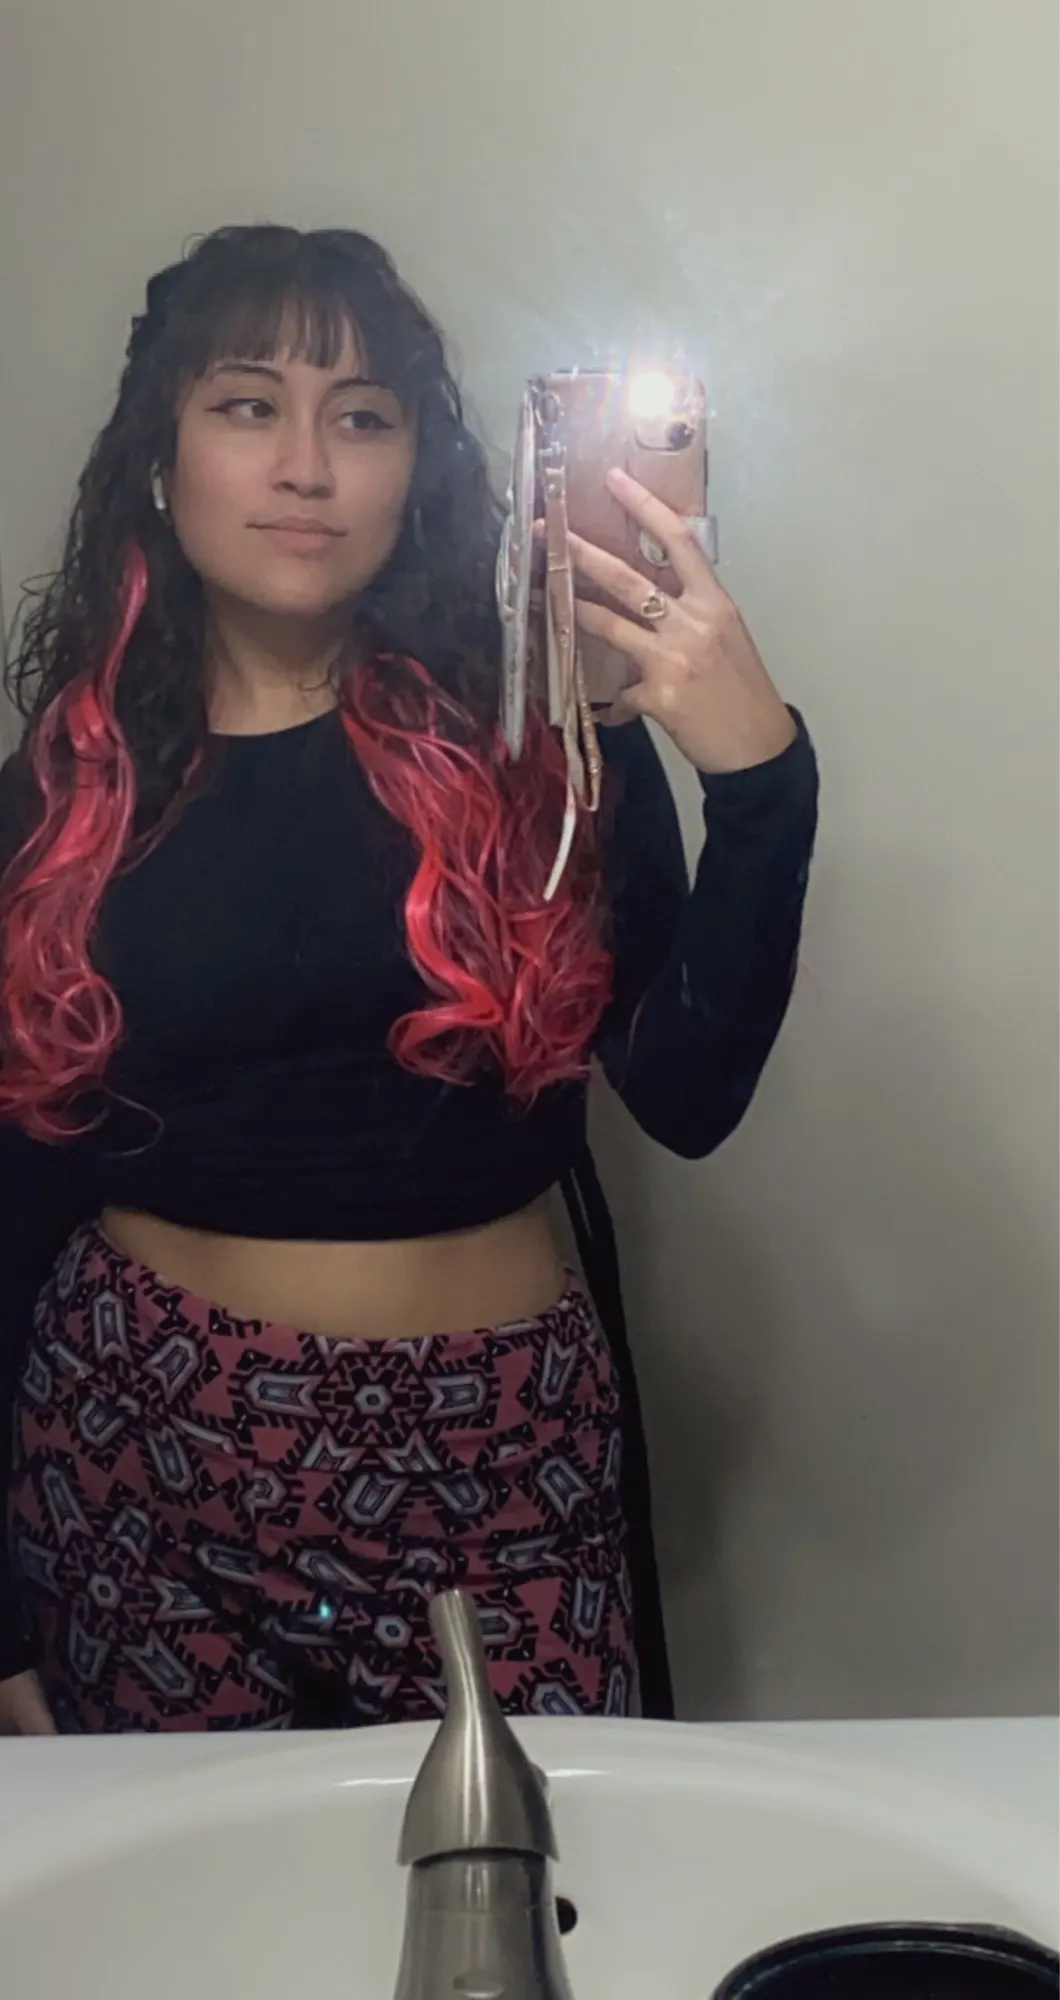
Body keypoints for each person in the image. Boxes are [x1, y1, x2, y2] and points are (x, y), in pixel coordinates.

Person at [0, 225, 817, 1734]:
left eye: (362, 416)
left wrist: (762, 782)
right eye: (250, 405)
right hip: (139, 1459)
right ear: (162, 461)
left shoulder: (539, 740)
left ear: (414, 472)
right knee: (196, 1893)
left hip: (502, 1457)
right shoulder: (65, 799)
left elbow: (689, 1096)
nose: (308, 465)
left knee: (546, 1873)